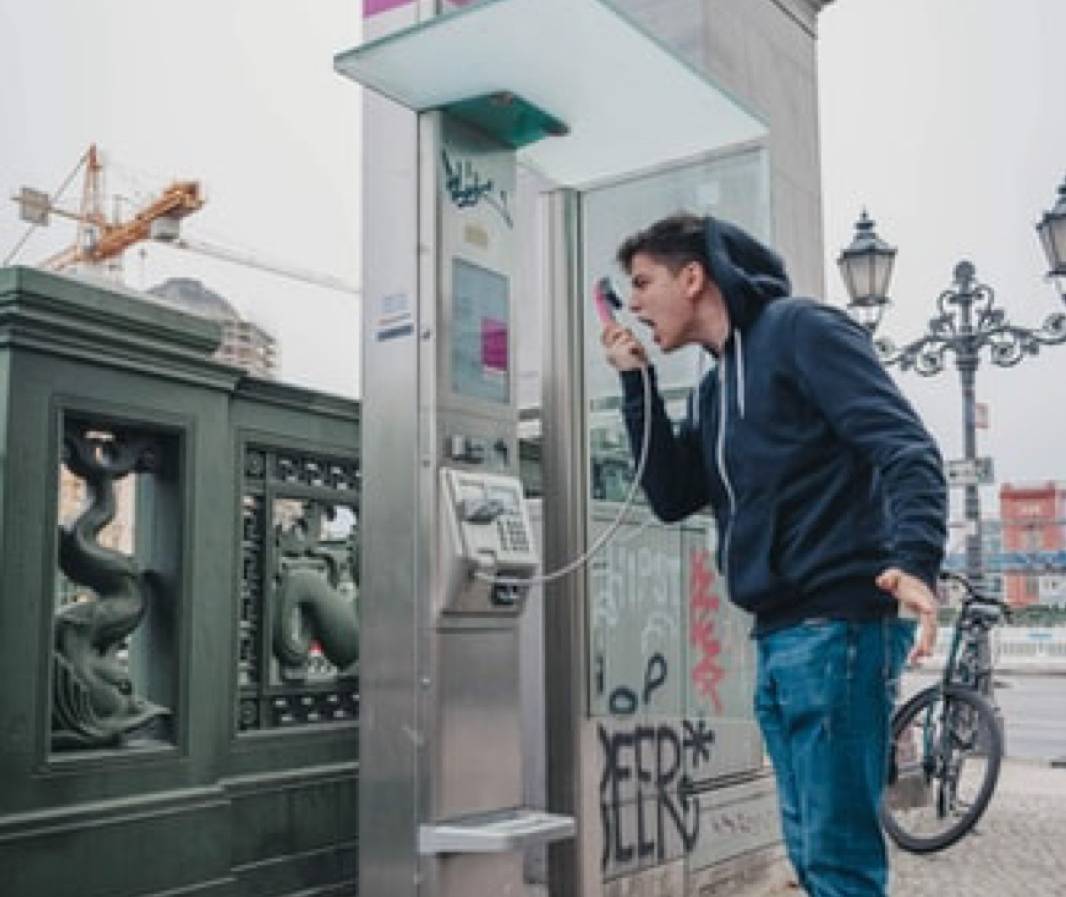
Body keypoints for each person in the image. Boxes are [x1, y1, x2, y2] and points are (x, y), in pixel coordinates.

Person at [601, 213, 947, 897]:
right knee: (812, 856)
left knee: (838, 860)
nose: (633, 303)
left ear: (692, 277)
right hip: (780, 635)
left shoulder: (801, 331)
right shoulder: (713, 388)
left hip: (839, 628)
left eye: (642, 282)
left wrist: (916, 560)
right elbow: (671, 494)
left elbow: (907, 448)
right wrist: (637, 384)